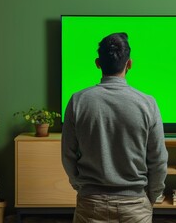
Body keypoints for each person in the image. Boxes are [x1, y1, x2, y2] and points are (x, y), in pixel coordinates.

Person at [62, 32, 168, 223]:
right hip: (135, 206)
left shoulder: (78, 101)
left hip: (90, 203)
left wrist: (82, 187)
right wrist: (150, 198)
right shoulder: (148, 104)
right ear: (129, 64)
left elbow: (67, 155)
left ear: (98, 63)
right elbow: (158, 160)